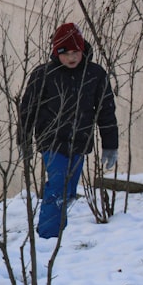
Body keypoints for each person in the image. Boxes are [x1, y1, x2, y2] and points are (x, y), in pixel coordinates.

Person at [19, 22, 119, 239]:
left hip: (80, 142)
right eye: (66, 53)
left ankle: (57, 236)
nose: (72, 58)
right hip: (52, 141)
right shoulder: (44, 74)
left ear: (83, 51)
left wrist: (110, 145)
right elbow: (28, 109)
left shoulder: (95, 74)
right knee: (58, 189)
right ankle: (48, 238)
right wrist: (24, 140)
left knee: (69, 192)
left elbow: (106, 110)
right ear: (56, 52)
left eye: (76, 52)